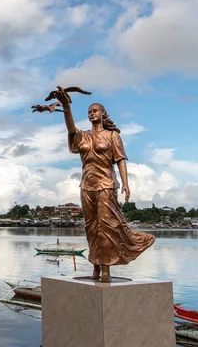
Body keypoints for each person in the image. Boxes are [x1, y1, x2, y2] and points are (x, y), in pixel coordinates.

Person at [50, 86, 155, 282]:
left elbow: (121, 159)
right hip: (86, 186)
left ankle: (106, 269)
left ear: (103, 113)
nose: (91, 114)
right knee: (91, 228)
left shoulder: (112, 136)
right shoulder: (83, 136)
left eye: (95, 111)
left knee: (106, 227)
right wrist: (66, 106)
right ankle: (96, 268)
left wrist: (125, 183)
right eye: (89, 112)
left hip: (106, 185)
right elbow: (71, 129)